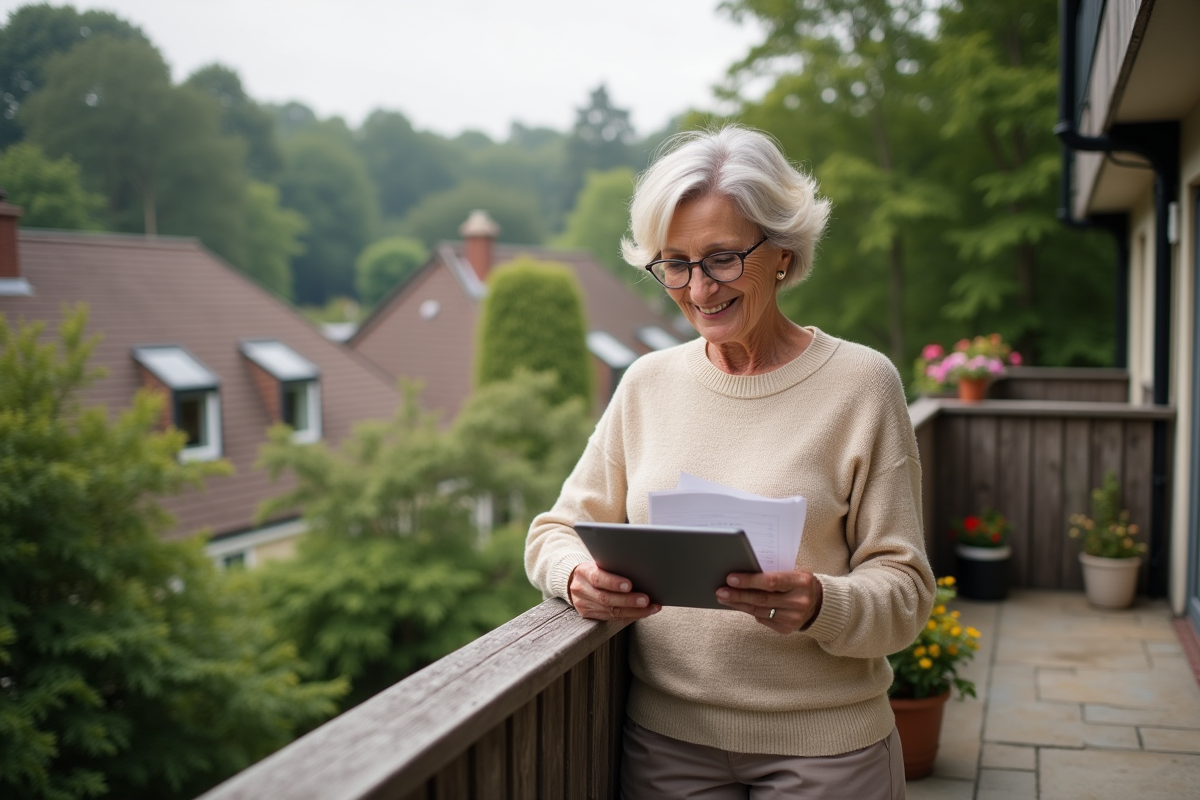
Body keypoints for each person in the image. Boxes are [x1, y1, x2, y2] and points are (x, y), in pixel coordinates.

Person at [525, 126, 934, 800]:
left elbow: (908, 594)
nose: (697, 289)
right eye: (674, 263)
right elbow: (550, 533)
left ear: (781, 251)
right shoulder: (646, 385)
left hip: (826, 753)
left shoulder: (863, 384)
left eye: (720, 258)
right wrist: (576, 579)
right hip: (666, 749)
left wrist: (819, 602)